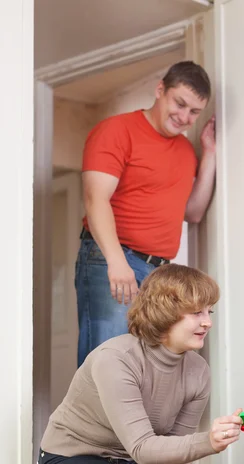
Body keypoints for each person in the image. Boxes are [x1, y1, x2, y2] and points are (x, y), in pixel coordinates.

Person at [38, 264, 242, 464]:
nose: (208, 322)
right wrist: (209, 442)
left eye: (209, 311)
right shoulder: (116, 359)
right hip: (72, 460)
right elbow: (143, 448)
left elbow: (177, 441)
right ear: (165, 312)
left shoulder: (198, 371)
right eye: (197, 313)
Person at [76, 61, 216, 366]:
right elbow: (94, 198)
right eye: (179, 103)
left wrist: (209, 154)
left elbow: (192, 212)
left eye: (194, 112)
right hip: (112, 260)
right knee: (108, 360)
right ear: (160, 90)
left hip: (159, 273)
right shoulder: (116, 130)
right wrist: (117, 262)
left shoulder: (183, 150)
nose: (184, 117)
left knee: (145, 365)